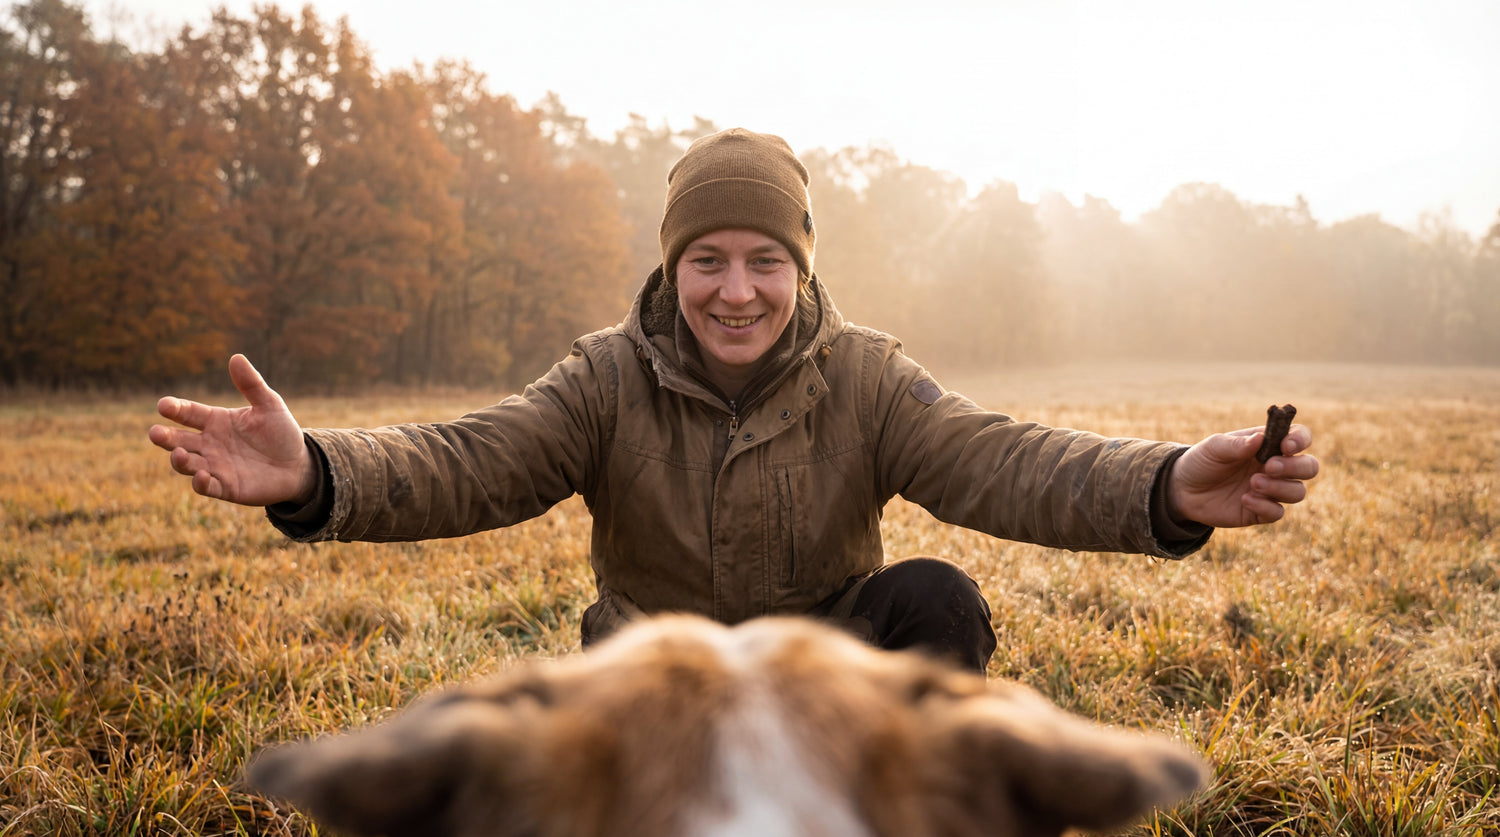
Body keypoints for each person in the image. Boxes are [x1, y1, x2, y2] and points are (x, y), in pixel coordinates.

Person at [149, 128, 1319, 675]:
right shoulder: (605, 377)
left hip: (828, 670)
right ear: (673, 269)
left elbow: (1006, 462)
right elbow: (472, 459)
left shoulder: (864, 375)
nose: (737, 289)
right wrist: (318, 477)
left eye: (766, 258)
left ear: (801, 270)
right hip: (652, 675)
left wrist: (1170, 485)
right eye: (707, 258)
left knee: (935, 599)